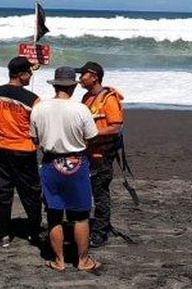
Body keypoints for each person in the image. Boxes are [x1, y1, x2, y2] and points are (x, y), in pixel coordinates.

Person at [30, 66, 101, 272]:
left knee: (54, 214)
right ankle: (83, 260)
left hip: (51, 163)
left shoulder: (39, 108)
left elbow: (34, 139)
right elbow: (92, 137)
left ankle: (59, 260)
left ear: (55, 85)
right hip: (76, 163)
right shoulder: (80, 109)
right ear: (73, 86)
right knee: (80, 215)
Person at [0, 56, 42, 247]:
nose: (31, 75)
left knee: (0, 192)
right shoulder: (33, 100)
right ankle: (33, 231)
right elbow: (38, 127)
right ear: (21, 74)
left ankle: (3, 233)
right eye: (29, 72)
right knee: (30, 192)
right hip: (23, 150)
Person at [76, 61, 124, 248]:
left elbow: (116, 127)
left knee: (100, 193)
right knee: (87, 192)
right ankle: (91, 228)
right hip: (88, 152)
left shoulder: (109, 99)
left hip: (102, 155)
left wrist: (94, 134)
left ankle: (100, 233)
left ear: (94, 77)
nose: (80, 79)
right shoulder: (87, 97)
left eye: (83, 75)